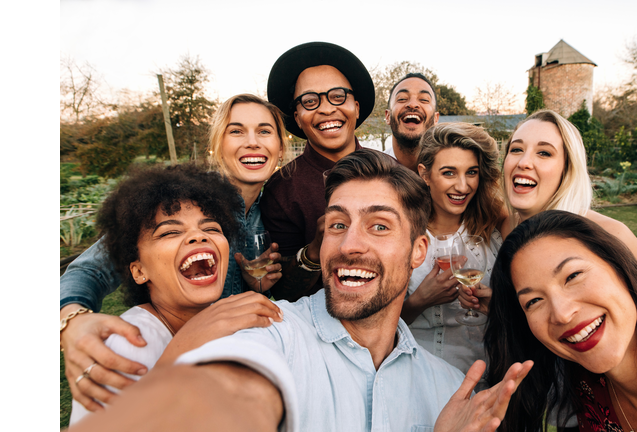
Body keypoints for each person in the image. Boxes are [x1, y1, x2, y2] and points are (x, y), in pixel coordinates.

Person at [70, 149, 533, 432]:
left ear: (418, 251)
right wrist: (70, 317)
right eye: (337, 224)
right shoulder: (268, 332)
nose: (350, 244)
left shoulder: (451, 391)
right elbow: (230, 390)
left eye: (378, 225)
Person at [60, 93, 286, 412]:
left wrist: (256, 283)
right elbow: (90, 270)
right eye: (236, 131)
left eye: (264, 131)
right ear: (217, 145)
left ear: (279, 146)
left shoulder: (271, 211)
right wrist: (71, 321)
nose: (253, 142)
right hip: (166, 350)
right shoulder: (181, 201)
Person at [484, 210, 637, 432]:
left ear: (621, 267)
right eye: (533, 301)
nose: (561, 314)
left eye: (573, 276)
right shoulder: (586, 390)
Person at [459, 109, 637, 315]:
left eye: (544, 153)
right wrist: (500, 307)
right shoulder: (509, 228)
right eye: (516, 149)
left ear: (567, 168)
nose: (524, 162)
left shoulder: (608, 235)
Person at [260, 41, 376, 302]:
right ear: (297, 117)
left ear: (356, 107)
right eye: (310, 101)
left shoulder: (393, 173)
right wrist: (314, 250)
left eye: (338, 96)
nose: (326, 109)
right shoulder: (281, 189)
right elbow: (281, 292)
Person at [400, 123, 505, 378]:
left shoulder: (494, 233)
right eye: (449, 173)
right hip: (416, 378)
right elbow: (374, 323)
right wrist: (419, 301)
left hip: (483, 378)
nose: (462, 186)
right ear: (425, 174)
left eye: (471, 172)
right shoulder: (403, 237)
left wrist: (496, 307)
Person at [383, 72, 440, 172]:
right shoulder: (370, 173)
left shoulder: (450, 173)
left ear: (436, 118)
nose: (412, 104)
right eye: (402, 99)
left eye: (424, 99)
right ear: (388, 116)